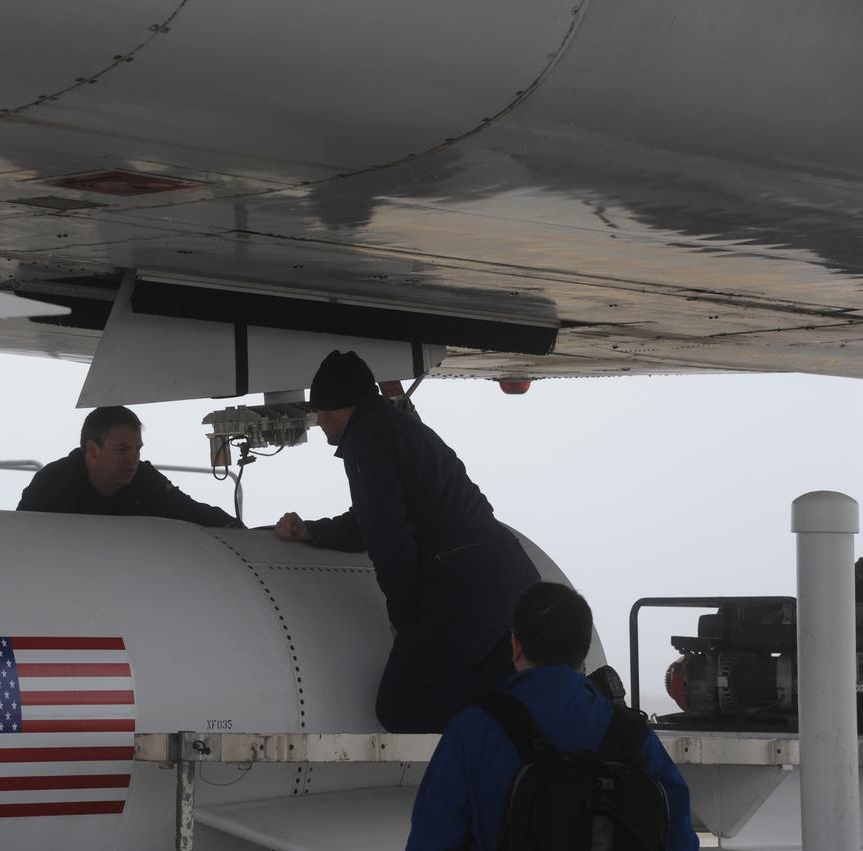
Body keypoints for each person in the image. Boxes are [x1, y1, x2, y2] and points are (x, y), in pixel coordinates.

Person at [275, 350, 538, 732]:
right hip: (511, 574)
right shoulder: (397, 427)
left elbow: (387, 538)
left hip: (466, 585)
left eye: (324, 414)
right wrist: (313, 531)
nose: (321, 425)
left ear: (338, 410)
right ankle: (528, 711)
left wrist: (403, 616)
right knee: (500, 675)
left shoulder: (366, 440)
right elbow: (377, 519)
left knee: (401, 706)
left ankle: (508, 714)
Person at [406, 582, 698, 850]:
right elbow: (678, 837)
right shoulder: (633, 735)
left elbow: (431, 837)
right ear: (584, 650)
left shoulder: (472, 731)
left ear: (515, 645)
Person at [18, 405, 240, 527]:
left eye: (138, 449)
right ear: (93, 450)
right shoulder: (53, 484)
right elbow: (22, 537)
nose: (133, 459)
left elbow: (189, 510)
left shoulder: (144, 479)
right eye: (122, 450)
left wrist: (233, 528)